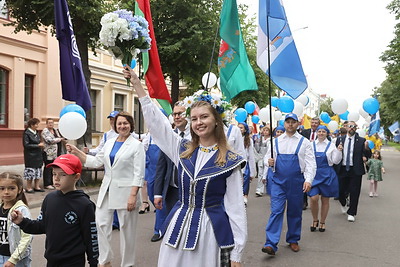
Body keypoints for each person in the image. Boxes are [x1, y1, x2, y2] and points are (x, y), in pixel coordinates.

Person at [124, 67, 247, 267]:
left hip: (209, 230)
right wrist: (138, 86)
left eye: (205, 117)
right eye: (195, 118)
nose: (199, 122)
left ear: (216, 121)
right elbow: (158, 125)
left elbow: (235, 207)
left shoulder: (229, 160)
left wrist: (237, 253)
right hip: (179, 224)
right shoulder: (183, 150)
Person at [67, 111, 145, 267]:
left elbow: (139, 173)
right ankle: (105, 260)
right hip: (107, 191)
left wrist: (133, 196)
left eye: (125, 123)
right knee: (101, 224)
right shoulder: (109, 142)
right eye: (119, 123)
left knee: (126, 230)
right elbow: (95, 162)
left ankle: (127, 264)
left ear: (131, 125)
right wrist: (77, 152)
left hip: (127, 192)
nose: (122, 126)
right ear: (115, 126)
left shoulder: (137, 145)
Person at [11, 154, 98, 267]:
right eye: (54, 174)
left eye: (63, 175)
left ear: (76, 177)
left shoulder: (84, 204)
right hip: (52, 260)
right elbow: (42, 226)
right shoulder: (50, 199)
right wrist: (22, 221)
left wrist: (94, 263)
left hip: (73, 262)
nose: (56, 178)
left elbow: (91, 237)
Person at [262, 113, 316, 255]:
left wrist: (308, 180)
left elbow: (311, 163)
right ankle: (270, 244)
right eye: (288, 122)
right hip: (278, 181)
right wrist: (268, 162)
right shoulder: (276, 141)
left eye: (293, 122)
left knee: (295, 212)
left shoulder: (305, 142)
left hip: (296, 181)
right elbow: (267, 157)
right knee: (276, 211)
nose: (290, 124)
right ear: (284, 124)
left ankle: (293, 239)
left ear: (297, 124)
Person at [153, 103, 191, 242]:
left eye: (180, 113)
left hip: (189, 190)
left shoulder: (196, 135)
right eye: (174, 114)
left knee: (187, 228)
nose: (176, 117)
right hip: (172, 191)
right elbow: (161, 166)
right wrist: (158, 193)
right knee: (173, 228)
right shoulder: (170, 136)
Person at [308, 126, 342, 232]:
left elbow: (335, 161)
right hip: (314, 174)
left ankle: (322, 221)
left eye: (323, 131)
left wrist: (338, 151)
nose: (321, 133)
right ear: (316, 132)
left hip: (327, 174)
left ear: (327, 133)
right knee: (313, 198)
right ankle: (315, 219)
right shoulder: (311, 145)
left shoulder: (331, 146)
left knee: (325, 199)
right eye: (319, 131)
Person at [335, 121, 371, 222]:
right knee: (340, 190)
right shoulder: (340, 139)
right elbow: (335, 153)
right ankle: (343, 203)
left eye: (354, 126)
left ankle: (352, 212)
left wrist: (367, 148)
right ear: (345, 127)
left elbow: (368, 155)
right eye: (350, 126)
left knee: (355, 192)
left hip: (355, 169)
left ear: (356, 128)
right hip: (342, 168)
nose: (352, 128)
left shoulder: (361, 140)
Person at [0, 172, 32, 267]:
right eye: (2, 188)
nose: (6, 192)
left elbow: (27, 237)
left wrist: (13, 259)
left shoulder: (21, 210)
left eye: (11, 188)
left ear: (19, 190)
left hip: (16, 260)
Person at [300, 117, 321, 210]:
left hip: (317, 159)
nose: (314, 124)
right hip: (305, 159)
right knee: (304, 179)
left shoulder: (321, 133)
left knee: (312, 179)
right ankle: (304, 201)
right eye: (312, 122)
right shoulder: (304, 133)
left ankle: (314, 196)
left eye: (316, 123)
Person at [22, 118, 45, 194]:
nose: (37, 126)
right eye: (36, 124)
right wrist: (38, 145)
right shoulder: (27, 133)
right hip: (30, 155)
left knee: (38, 171)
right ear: (32, 125)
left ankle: (37, 186)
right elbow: (26, 145)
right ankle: (29, 187)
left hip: (38, 155)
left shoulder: (36, 132)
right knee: (30, 171)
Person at [42, 118, 65, 190]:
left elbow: (60, 137)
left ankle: (53, 182)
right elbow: (49, 140)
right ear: (46, 124)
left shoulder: (55, 130)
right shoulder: (45, 131)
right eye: (49, 123)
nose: (51, 124)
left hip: (56, 152)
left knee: (54, 168)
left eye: (52, 123)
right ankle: (47, 183)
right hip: (49, 152)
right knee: (48, 168)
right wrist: (60, 139)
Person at [238, 122, 256, 205]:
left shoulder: (249, 140)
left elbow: (251, 156)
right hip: (237, 163)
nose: (239, 129)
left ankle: (245, 196)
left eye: (241, 128)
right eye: (238, 127)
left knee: (245, 181)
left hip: (245, 164)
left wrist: (253, 172)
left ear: (245, 130)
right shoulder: (234, 139)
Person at [254, 125, 271, 197]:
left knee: (266, 174)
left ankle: (268, 188)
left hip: (268, 158)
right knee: (260, 173)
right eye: (264, 130)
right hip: (261, 158)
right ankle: (259, 189)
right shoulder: (260, 139)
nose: (265, 132)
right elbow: (257, 149)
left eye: (267, 130)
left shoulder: (271, 140)